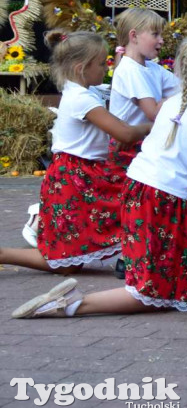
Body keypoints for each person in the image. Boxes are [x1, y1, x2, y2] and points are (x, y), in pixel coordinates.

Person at [12, 33, 187, 318]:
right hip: (162, 197)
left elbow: (179, 161)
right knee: (148, 293)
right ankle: (74, 303)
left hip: (140, 187)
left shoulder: (173, 104)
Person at [0, 31, 149, 276]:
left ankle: (135, 255)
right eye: (102, 63)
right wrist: (155, 124)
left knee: (70, 261)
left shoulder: (79, 90)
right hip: (75, 177)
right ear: (81, 68)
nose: (106, 69)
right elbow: (125, 134)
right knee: (67, 262)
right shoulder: (82, 99)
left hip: (79, 174)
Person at [108, 9, 179, 169]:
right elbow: (152, 112)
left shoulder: (153, 68)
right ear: (134, 36)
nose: (161, 41)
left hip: (145, 142)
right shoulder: (130, 69)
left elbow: (182, 88)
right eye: (155, 35)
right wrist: (182, 96)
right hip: (129, 147)